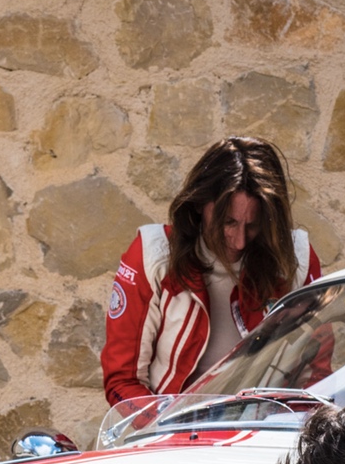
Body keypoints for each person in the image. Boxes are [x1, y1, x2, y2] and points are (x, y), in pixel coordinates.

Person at [102, 137, 323, 407]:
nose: (240, 241)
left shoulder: (296, 259)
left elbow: (316, 376)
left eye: (253, 225)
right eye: (228, 222)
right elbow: (122, 381)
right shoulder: (153, 255)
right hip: (169, 434)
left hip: (261, 435)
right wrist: (166, 435)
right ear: (199, 204)